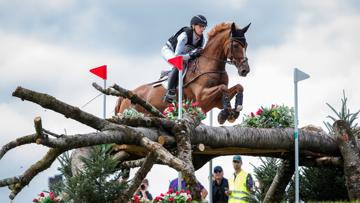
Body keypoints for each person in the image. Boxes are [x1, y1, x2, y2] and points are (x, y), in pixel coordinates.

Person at [161, 15, 207, 103]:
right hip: (168, 50)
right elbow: (178, 56)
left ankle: (171, 74)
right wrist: (191, 54)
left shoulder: (202, 40)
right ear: (193, 26)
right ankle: (170, 91)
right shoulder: (184, 35)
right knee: (178, 62)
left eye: (204, 27)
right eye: (200, 26)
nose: (202, 29)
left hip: (184, 53)